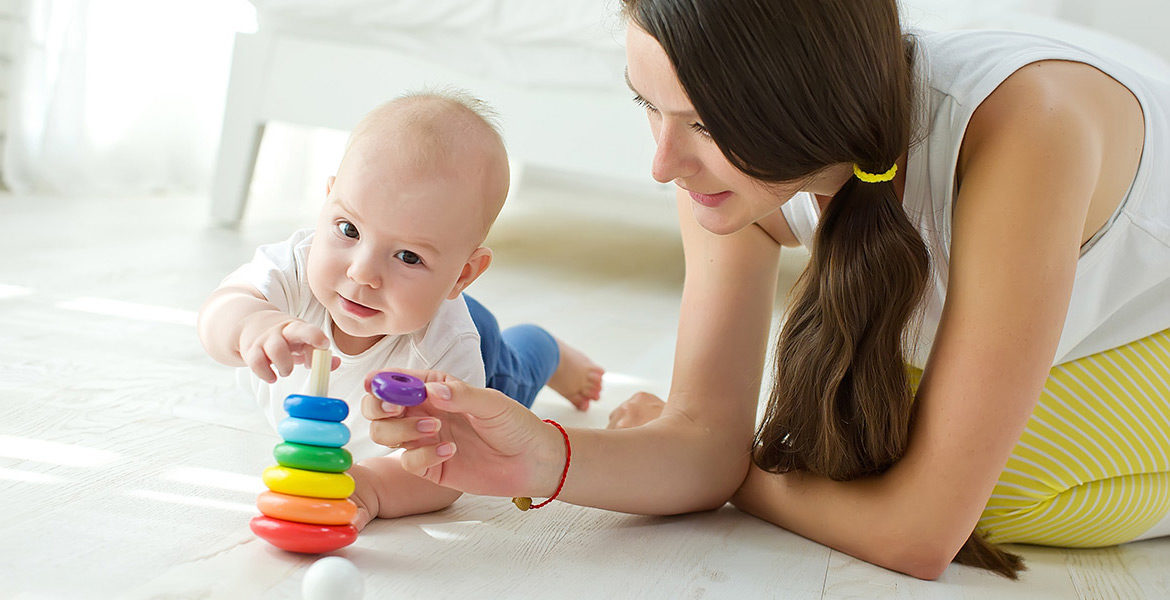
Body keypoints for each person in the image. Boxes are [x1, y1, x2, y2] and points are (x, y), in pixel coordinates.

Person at [353, 0, 1170, 580]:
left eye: (705, 125)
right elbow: (704, 435)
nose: (662, 164)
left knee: (999, 485)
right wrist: (543, 455)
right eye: (648, 107)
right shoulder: (718, 172)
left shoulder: (1028, 131)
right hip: (1056, 320)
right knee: (867, 443)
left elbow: (918, 533)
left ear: (800, 103)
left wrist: (731, 466)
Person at [197, 91, 604, 528]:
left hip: (483, 353)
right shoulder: (294, 267)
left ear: (463, 274)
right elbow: (220, 311)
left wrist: (373, 486)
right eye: (349, 229)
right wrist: (252, 325)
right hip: (423, 302)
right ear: (327, 199)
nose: (363, 272)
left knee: (518, 364)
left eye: (408, 256)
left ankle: (551, 350)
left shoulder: (447, 352)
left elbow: (447, 471)